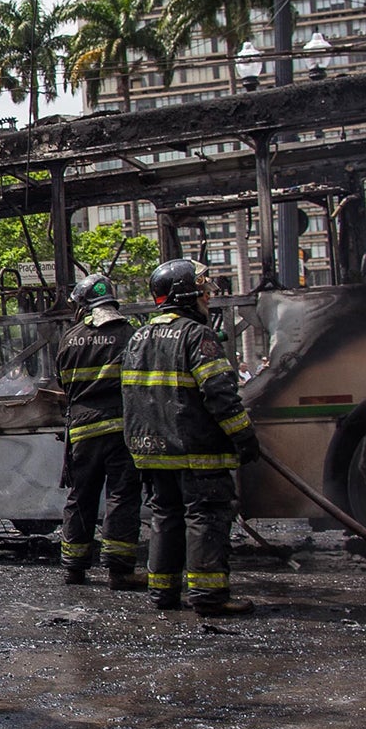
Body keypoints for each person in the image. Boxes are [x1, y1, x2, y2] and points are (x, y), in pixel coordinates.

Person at [121, 258, 258, 618]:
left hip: (152, 450)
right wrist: (243, 435)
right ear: (184, 294)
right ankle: (209, 596)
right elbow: (220, 392)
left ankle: (162, 592)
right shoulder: (196, 335)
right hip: (196, 449)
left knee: (165, 516)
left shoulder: (139, 337)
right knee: (207, 516)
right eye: (202, 291)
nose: (207, 298)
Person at [55, 274, 143, 590]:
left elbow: (63, 384)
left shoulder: (69, 338)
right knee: (121, 496)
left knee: (81, 496)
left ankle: (73, 567)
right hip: (121, 429)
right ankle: (120, 571)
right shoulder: (131, 335)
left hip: (81, 430)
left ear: (83, 306)